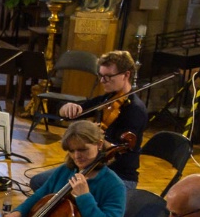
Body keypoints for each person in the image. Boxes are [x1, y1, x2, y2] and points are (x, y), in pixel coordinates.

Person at [58, 50, 147, 190]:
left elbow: (121, 155)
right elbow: (77, 111)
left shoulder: (135, 110)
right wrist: (67, 108)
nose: (102, 81)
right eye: (101, 76)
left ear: (126, 75)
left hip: (120, 177)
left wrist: (95, 137)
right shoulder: (107, 99)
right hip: (94, 169)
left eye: (108, 76)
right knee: (40, 181)